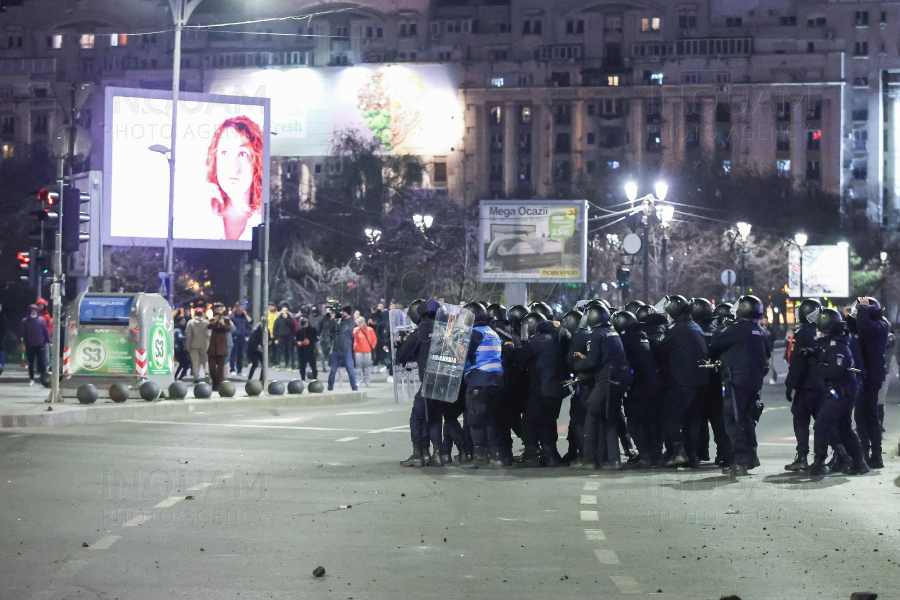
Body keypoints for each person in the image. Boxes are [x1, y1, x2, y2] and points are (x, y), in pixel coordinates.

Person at [709, 295, 772, 476]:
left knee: (734, 421)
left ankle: (740, 461)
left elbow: (715, 341)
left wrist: (723, 325)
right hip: (754, 381)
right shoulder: (759, 329)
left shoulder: (736, 328)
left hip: (736, 381)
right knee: (748, 419)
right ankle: (751, 456)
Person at [806, 308, 869, 476]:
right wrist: (812, 353)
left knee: (821, 425)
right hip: (843, 392)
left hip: (841, 393)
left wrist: (815, 364)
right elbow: (824, 354)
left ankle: (819, 462)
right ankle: (859, 462)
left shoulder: (837, 346)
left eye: (819, 326)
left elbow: (834, 372)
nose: (817, 330)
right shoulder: (833, 342)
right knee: (844, 428)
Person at [575, 304, 632, 470]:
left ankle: (589, 459)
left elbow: (592, 362)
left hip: (607, 380)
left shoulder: (596, 334)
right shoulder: (612, 332)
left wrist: (579, 362)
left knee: (592, 415)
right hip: (619, 379)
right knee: (610, 418)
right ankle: (613, 459)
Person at [658, 295, 708, 468]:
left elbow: (659, 349)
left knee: (670, 417)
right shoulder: (694, 326)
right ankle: (692, 456)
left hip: (682, 382)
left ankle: (678, 452)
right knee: (692, 420)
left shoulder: (676, 330)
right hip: (700, 382)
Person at [397, 299, 444, 467]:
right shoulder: (442, 329)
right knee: (435, 418)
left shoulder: (420, 332)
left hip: (428, 380)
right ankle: (438, 454)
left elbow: (401, 356)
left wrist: (403, 343)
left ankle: (418, 454)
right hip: (444, 382)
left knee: (417, 417)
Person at [614, 310, 663, 469]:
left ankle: (645, 456)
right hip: (653, 384)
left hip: (639, 386)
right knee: (651, 422)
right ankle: (654, 456)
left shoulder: (626, 339)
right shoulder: (643, 336)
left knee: (635, 422)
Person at [515, 319, 566, 467]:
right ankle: (550, 455)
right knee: (549, 422)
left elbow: (520, 356)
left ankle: (531, 454)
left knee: (529, 421)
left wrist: (514, 347)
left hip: (541, 388)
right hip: (557, 389)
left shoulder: (537, 341)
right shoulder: (559, 342)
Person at [460, 303, 505, 469]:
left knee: (475, 419)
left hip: (480, 379)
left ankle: (480, 457)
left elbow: (461, 355)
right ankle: (497, 455)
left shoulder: (474, 333)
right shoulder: (491, 332)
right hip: (496, 379)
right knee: (491, 419)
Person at [205, 116, 264, 241]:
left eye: (242, 154)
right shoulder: (202, 214)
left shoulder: (263, 220)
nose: (233, 167)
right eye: (225, 153)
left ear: (256, 162)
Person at [784, 299, 824, 471]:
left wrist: (790, 384)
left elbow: (797, 363)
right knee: (823, 422)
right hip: (822, 385)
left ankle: (802, 457)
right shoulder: (823, 332)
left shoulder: (802, 334)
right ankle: (830, 457)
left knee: (801, 420)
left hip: (806, 386)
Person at [853, 297, 888, 469]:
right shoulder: (871, 326)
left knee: (867, 415)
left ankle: (874, 455)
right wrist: (850, 316)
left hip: (872, 376)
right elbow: (856, 327)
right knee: (863, 415)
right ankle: (867, 453)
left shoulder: (881, 326)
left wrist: (863, 309)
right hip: (866, 375)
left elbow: (865, 326)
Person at [327, 306, 358, 392]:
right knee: (333, 370)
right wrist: (333, 319)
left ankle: (354, 387)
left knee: (350, 370)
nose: (341, 313)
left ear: (347, 313)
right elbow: (330, 330)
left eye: (343, 312)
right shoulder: (338, 321)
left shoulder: (351, 322)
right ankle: (330, 388)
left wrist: (337, 320)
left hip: (346, 350)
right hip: (336, 350)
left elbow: (342, 329)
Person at [18, 304, 49, 385]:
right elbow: (22, 333)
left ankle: (43, 378)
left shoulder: (41, 320)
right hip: (30, 345)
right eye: (32, 310)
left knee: (41, 363)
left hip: (40, 344)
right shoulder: (25, 321)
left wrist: (47, 340)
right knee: (31, 362)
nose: (34, 311)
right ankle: (31, 378)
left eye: (35, 310)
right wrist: (22, 343)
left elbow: (45, 331)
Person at [207, 303, 232, 391]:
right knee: (212, 367)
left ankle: (218, 384)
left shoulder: (226, 319)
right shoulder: (212, 319)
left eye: (220, 309)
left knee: (220, 368)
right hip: (213, 347)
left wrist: (222, 323)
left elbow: (228, 329)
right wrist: (215, 322)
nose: (219, 310)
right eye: (217, 309)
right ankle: (214, 382)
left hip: (222, 347)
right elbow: (208, 326)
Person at [185, 308, 210, 384]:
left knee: (195, 362)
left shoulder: (190, 322)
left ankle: (196, 377)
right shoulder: (206, 322)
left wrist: (187, 346)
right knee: (205, 361)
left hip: (193, 345)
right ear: (202, 314)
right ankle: (206, 373)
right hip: (204, 344)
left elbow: (188, 335)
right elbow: (208, 334)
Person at [353, 316, 377, 387]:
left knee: (367, 366)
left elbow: (374, 339)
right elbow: (354, 336)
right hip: (358, 351)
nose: (359, 324)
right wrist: (358, 329)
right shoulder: (356, 329)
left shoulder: (370, 330)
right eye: (358, 322)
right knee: (358, 366)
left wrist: (372, 346)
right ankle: (359, 380)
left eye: (361, 322)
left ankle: (367, 381)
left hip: (367, 350)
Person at [230, 303, 252, 376]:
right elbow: (230, 326)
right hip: (235, 337)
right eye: (242, 308)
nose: (243, 309)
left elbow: (250, 322)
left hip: (243, 337)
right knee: (233, 353)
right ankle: (232, 369)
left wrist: (245, 314)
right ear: (237, 308)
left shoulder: (244, 316)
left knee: (241, 354)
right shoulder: (232, 316)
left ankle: (239, 370)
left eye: (243, 308)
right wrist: (233, 335)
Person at [273, 305, 296, 370]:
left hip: (288, 337)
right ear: (281, 311)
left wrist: (286, 319)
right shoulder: (278, 320)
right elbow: (275, 329)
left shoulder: (290, 319)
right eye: (283, 310)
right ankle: (277, 364)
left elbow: (292, 326)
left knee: (287, 351)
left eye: (286, 310)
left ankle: (287, 364)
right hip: (280, 337)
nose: (285, 312)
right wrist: (276, 338)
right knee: (279, 351)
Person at [295, 316, 319, 381]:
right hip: (301, 351)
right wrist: (298, 342)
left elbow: (316, 338)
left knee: (313, 365)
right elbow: (296, 339)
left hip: (310, 350)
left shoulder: (312, 330)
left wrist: (310, 341)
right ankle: (302, 378)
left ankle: (315, 378)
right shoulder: (299, 331)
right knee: (302, 365)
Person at [173, 316, 190, 380]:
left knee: (184, 365)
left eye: (184, 320)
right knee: (183, 364)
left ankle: (178, 377)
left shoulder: (184, 328)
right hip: (178, 349)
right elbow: (179, 338)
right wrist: (188, 337)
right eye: (182, 320)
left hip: (183, 349)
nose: (184, 322)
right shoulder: (177, 329)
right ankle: (177, 377)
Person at [0, 302, 8, 375]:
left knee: (1, 354)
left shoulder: (3, 318)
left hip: (1, 339)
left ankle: (1, 368)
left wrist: (3, 337)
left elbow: (5, 329)